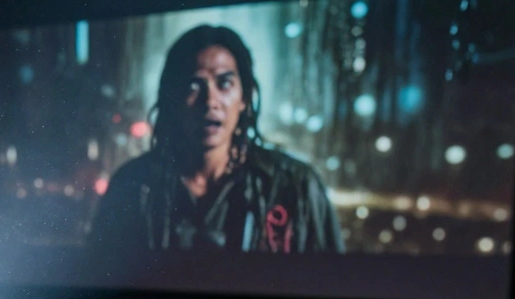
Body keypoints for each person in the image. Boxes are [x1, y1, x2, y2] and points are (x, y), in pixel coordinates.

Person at [92, 25, 345, 254]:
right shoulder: (132, 186)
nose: (210, 101)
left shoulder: (294, 187)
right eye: (193, 86)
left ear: (244, 98)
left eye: (224, 83)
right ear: (173, 98)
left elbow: (331, 279)